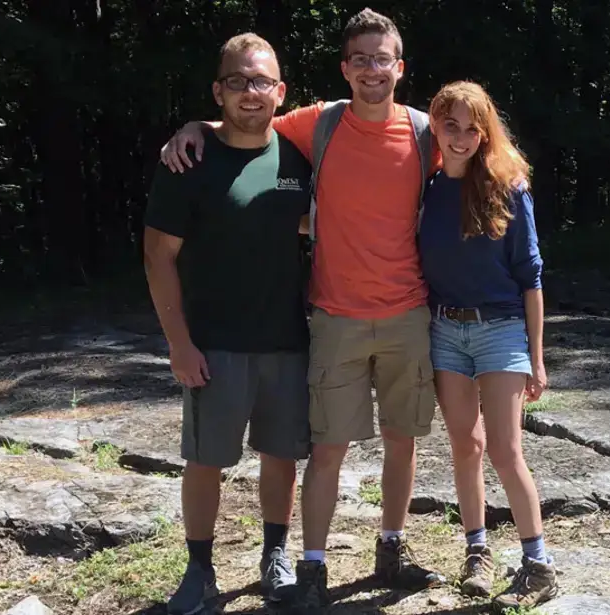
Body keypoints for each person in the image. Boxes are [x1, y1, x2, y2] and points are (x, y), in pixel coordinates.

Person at [158, 8, 445, 610]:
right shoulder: (315, 128)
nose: (371, 70)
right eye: (359, 60)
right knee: (261, 454)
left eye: (381, 58)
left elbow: (474, 152)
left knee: (340, 447)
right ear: (344, 68)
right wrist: (191, 125)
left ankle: (344, 551)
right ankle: (246, 568)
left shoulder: (416, 134)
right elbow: (242, 128)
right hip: (304, 323)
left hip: (353, 323)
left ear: (400, 66)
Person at [142, 33, 313, 614]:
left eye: (261, 81)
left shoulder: (297, 158)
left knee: (281, 456)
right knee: (206, 461)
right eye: (237, 81)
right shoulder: (188, 161)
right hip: (212, 344)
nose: (250, 92)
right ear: (218, 90)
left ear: (280, 91)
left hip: (287, 339)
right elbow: (158, 255)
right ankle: (199, 570)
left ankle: (275, 555)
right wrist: (179, 344)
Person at [419, 81, 560, 609]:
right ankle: (476, 552)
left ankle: (538, 562)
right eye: (449, 125)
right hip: (443, 331)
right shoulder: (425, 188)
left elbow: (532, 277)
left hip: (500, 329)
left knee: (504, 449)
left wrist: (537, 359)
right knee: (465, 446)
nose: (459, 137)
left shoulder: (509, 187)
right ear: (435, 126)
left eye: (471, 128)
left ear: (485, 133)